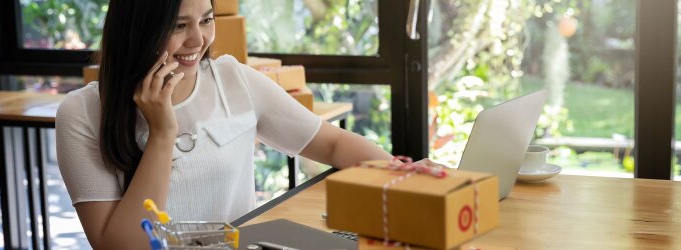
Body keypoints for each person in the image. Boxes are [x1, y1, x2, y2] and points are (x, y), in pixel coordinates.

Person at [55, 0, 441, 248]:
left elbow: (331, 144)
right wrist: (162, 134)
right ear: (138, 30)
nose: (198, 40)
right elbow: (120, 246)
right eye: (178, 26)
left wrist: (402, 175)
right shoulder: (82, 113)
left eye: (206, 20)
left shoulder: (232, 79)